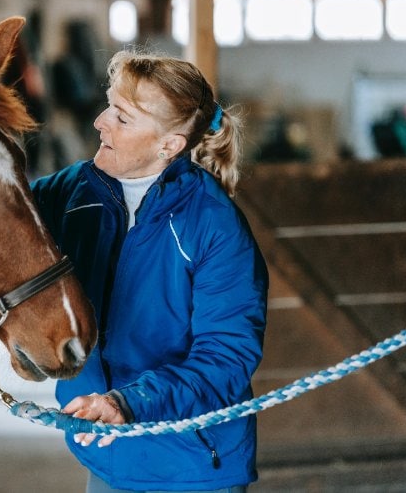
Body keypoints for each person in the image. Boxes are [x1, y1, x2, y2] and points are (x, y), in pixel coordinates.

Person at [31, 49, 269, 492]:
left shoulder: (212, 224)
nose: (100, 121)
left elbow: (226, 358)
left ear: (169, 145)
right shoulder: (72, 192)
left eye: (122, 118)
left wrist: (128, 402)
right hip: (106, 456)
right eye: (108, 105)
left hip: (192, 467)